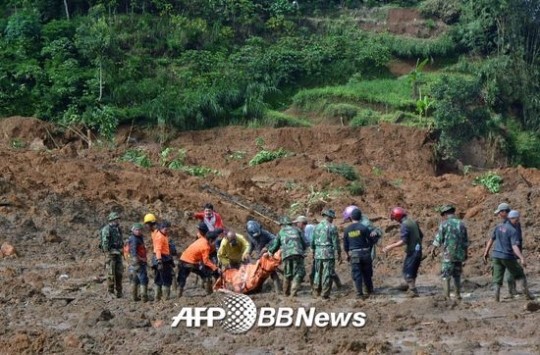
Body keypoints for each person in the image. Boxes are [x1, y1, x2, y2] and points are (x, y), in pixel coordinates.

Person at [482, 210, 533, 302]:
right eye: (516, 220)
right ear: (514, 219)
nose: (517, 222)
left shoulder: (498, 227)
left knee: (497, 278)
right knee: (520, 275)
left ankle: (496, 298)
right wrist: (522, 258)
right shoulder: (513, 230)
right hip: (507, 256)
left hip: (496, 256)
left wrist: (486, 252)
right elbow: (514, 246)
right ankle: (527, 295)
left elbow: (491, 239)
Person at [430, 205, 468, 300]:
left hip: (448, 254)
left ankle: (446, 296)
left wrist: (433, 248)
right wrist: (465, 253)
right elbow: (465, 241)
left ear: (446, 214)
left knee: (446, 275)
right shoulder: (461, 224)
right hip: (459, 254)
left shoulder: (444, 224)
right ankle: (457, 295)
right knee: (457, 275)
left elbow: (439, 238)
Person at [383, 207, 423, 297]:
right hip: (418, 250)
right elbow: (421, 235)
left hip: (413, 251)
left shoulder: (404, 225)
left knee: (407, 271)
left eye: (395, 218)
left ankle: (413, 290)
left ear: (398, 217)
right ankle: (410, 286)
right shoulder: (413, 222)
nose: (395, 221)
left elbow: (403, 241)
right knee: (412, 270)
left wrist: (390, 247)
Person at [343, 208, 379, 298]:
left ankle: (359, 293)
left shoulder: (347, 230)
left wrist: (347, 255)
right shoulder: (364, 228)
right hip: (365, 253)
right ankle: (370, 290)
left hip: (354, 254)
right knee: (367, 273)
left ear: (351, 217)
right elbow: (371, 240)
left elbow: (345, 245)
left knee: (357, 274)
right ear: (360, 217)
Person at [267, 216, 307, 297]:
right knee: (300, 272)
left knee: (287, 273)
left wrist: (270, 252)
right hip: (298, 253)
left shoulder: (281, 232)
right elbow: (304, 243)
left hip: (287, 255)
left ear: (283, 224)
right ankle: (293, 292)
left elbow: (275, 246)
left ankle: (286, 293)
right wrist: (302, 250)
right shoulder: (297, 230)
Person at [178, 230, 221, 296]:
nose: (215, 242)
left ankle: (179, 294)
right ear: (211, 240)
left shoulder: (202, 239)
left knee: (182, 279)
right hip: (191, 262)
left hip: (183, 259)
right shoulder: (206, 247)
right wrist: (215, 268)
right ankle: (210, 294)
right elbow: (206, 261)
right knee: (206, 276)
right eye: (214, 240)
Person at [311, 209, 342, 299]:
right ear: (329, 217)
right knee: (327, 273)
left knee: (317, 273)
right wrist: (339, 254)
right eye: (332, 217)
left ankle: (316, 291)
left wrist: (313, 251)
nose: (333, 219)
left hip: (318, 253)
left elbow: (312, 242)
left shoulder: (316, 227)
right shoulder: (332, 227)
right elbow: (336, 243)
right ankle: (325, 294)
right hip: (328, 254)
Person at [246, 220, 282, 293]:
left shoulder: (264, 233)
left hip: (267, 254)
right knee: (260, 273)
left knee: (271, 271)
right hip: (260, 255)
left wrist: (267, 247)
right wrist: (248, 252)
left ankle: (278, 290)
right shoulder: (250, 235)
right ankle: (257, 289)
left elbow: (275, 239)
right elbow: (252, 244)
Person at [493, 202, 522, 297]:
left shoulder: (513, 223)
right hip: (507, 251)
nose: (499, 215)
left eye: (500, 213)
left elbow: (514, 240)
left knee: (510, 273)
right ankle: (512, 291)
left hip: (511, 251)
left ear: (505, 212)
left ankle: (512, 291)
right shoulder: (504, 224)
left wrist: (516, 253)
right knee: (508, 272)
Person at [100, 212, 124, 298]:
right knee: (110, 273)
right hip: (111, 254)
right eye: (116, 219)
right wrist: (107, 253)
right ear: (112, 220)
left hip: (118, 253)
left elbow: (120, 240)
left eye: (118, 219)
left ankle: (119, 291)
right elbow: (105, 242)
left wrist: (122, 250)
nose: (118, 221)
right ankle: (110, 291)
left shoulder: (118, 229)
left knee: (119, 273)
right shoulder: (107, 229)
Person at [152, 221, 175, 301]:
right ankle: (165, 298)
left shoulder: (159, 233)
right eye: (165, 229)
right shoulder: (160, 237)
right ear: (161, 228)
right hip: (162, 259)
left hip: (160, 258)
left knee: (158, 278)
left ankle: (157, 298)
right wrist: (159, 261)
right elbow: (158, 249)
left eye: (168, 229)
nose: (167, 230)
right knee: (166, 279)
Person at [127, 223, 149, 302]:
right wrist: (141, 259)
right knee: (143, 278)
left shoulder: (138, 238)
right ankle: (144, 297)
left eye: (140, 230)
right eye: (137, 230)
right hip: (137, 262)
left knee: (135, 279)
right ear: (133, 230)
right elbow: (134, 253)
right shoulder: (134, 239)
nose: (139, 231)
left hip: (134, 262)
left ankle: (134, 297)